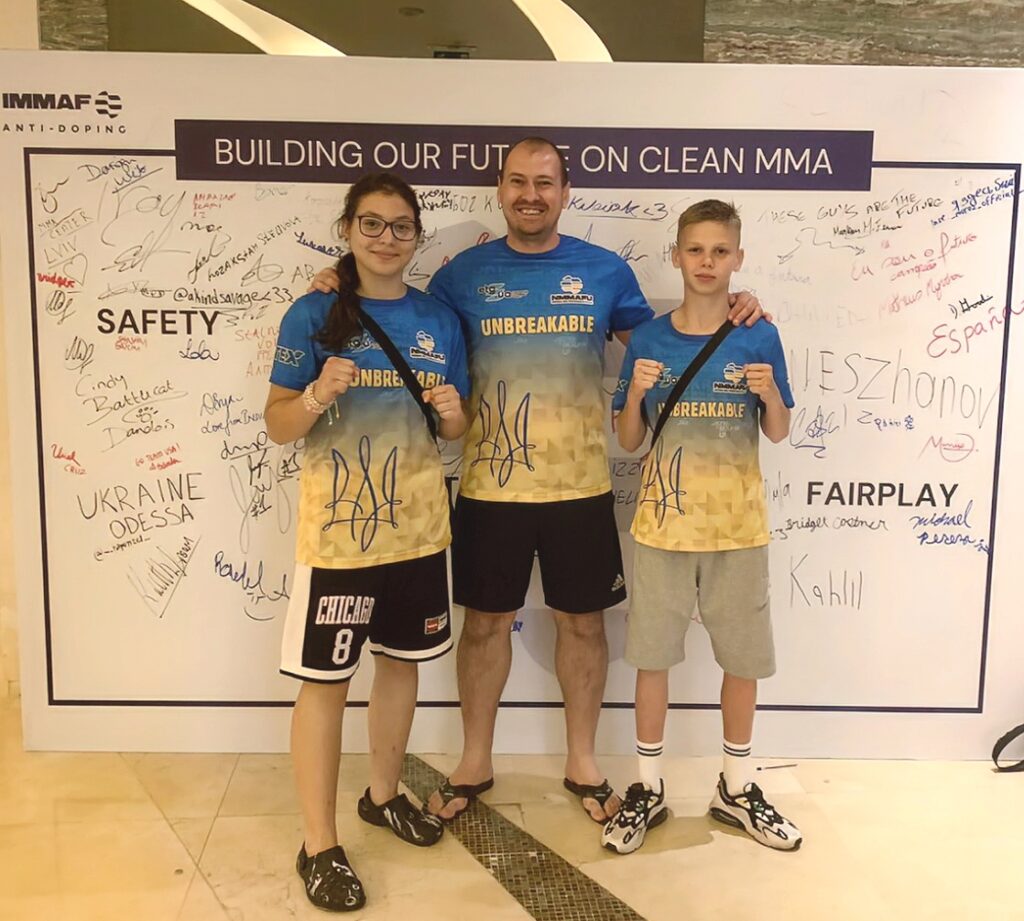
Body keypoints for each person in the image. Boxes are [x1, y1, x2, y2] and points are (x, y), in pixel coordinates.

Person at [312, 137, 766, 826]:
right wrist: (336, 282)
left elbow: (673, 339)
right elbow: (396, 310)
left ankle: (583, 762)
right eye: (519, 182)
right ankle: (474, 760)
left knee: (583, 625)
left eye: (545, 182)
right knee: (484, 626)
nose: (531, 194)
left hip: (580, 488)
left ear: (565, 191)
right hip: (489, 489)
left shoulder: (605, 270)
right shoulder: (461, 276)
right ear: (500, 189)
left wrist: (735, 307)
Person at [265, 172, 470, 912]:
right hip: (340, 540)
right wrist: (317, 393)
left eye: (401, 226)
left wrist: (453, 413)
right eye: (372, 224)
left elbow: (457, 427)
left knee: (401, 665)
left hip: (418, 531)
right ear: (348, 229)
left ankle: (382, 795)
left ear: (417, 235)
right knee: (325, 682)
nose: (387, 238)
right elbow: (279, 424)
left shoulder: (438, 318)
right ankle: (318, 844)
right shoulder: (313, 312)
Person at [602, 199, 801, 855]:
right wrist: (635, 393)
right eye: (696, 250)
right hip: (662, 527)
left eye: (720, 251)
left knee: (742, 662)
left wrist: (769, 393)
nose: (707, 262)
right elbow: (629, 440)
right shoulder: (649, 339)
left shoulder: (759, 334)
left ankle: (737, 787)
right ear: (677, 256)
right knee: (652, 658)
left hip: (738, 527)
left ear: (737, 258)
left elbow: (778, 430)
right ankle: (648, 787)